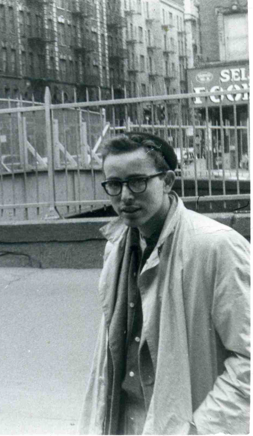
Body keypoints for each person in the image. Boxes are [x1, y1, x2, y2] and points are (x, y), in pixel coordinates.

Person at [79, 132, 250, 434]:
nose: (125, 196)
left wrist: (201, 428)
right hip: (128, 420)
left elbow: (247, 360)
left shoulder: (216, 246)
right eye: (114, 185)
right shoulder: (117, 244)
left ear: (168, 181)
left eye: (137, 181)